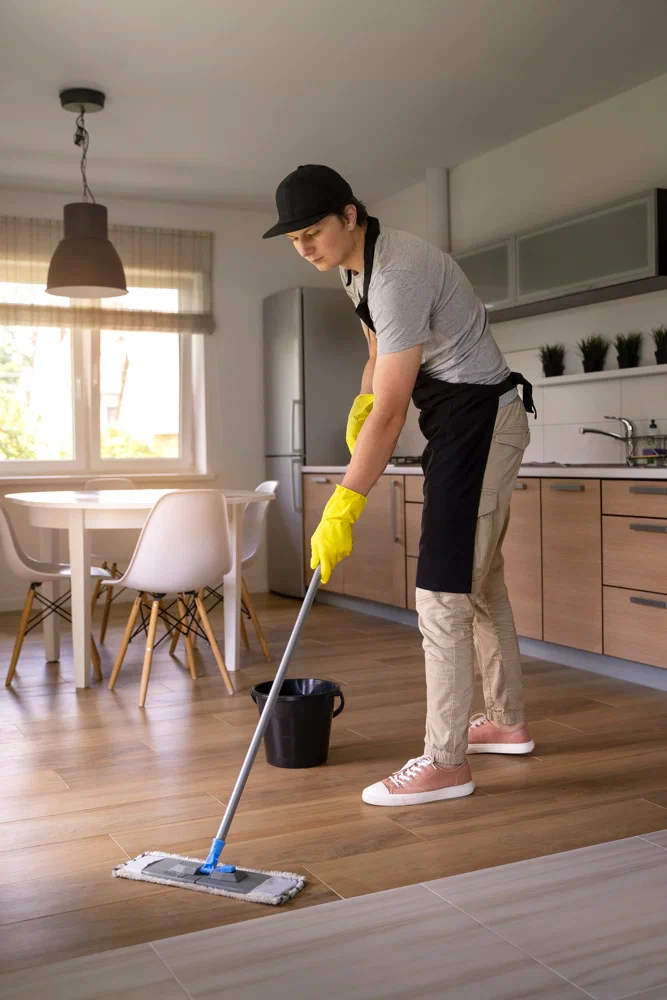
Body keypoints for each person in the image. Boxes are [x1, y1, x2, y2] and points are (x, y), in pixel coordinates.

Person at [263, 164, 536, 807]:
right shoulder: (354, 272)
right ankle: (506, 721)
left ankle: (445, 761)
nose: (305, 247)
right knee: (480, 581)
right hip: (457, 422)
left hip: (481, 423)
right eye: (294, 238)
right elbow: (379, 358)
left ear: (350, 215)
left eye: (313, 231)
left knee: (441, 592)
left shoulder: (396, 271)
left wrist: (344, 502)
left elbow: (392, 414)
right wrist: (361, 400)